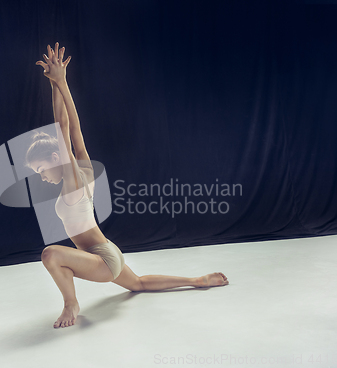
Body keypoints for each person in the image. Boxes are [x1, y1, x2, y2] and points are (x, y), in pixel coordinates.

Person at [29, 42, 229, 329]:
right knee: (138, 284)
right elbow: (74, 128)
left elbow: (62, 128)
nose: (41, 176)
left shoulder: (74, 180)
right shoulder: (83, 171)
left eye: (40, 169)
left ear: (54, 158)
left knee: (50, 253)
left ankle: (70, 303)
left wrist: (58, 82)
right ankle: (197, 280)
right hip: (106, 252)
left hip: (101, 258)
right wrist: (57, 83)